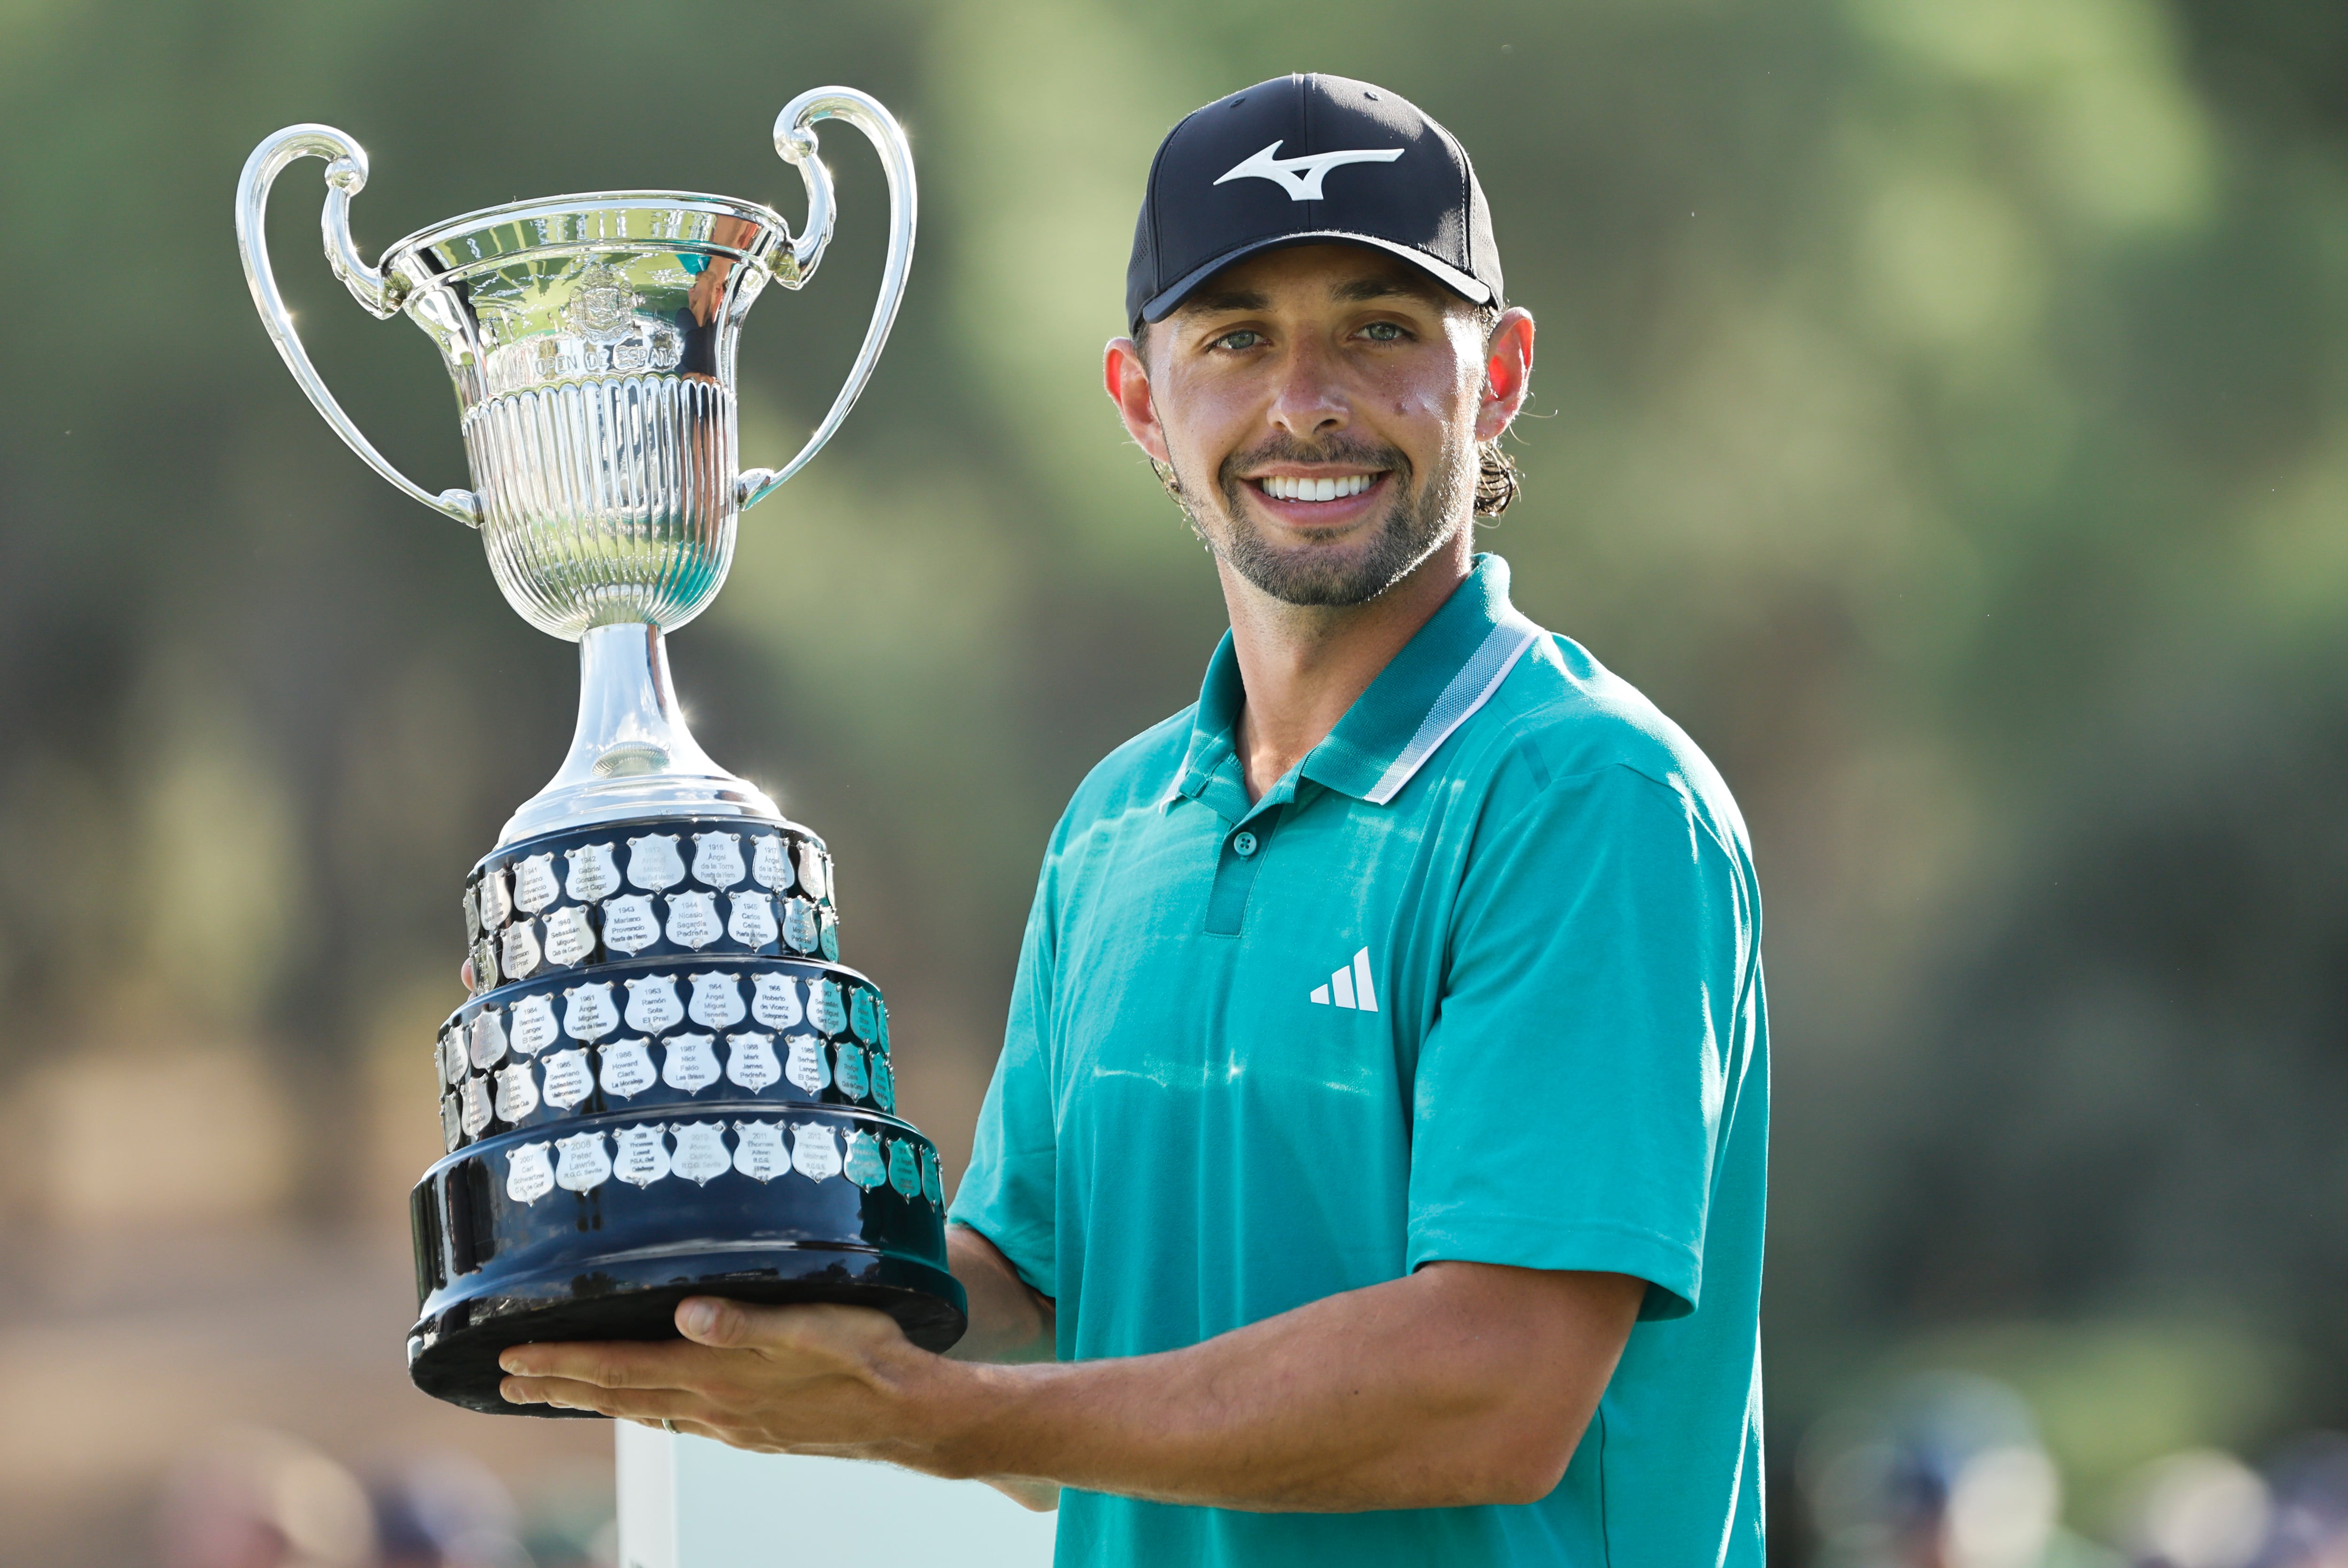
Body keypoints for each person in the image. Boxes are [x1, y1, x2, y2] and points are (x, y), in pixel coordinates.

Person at [498, 72, 1770, 1568]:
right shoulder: (1118, 825)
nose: (1308, 400)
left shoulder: (1587, 796)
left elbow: (1492, 1390)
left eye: (1380, 327)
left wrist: (934, 1418)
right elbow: (1031, 1317)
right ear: (1140, 401)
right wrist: (696, 1203)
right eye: (1238, 339)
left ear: (1494, 377)